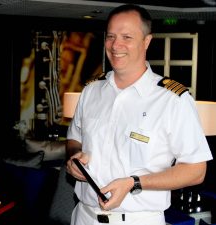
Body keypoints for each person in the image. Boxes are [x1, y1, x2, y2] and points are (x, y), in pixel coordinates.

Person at [65, 4, 213, 225]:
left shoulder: (173, 100)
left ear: (147, 41)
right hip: (83, 217)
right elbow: (74, 138)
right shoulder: (91, 91)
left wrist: (133, 183)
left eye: (127, 37)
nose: (116, 45)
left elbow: (196, 170)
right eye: (111, 36)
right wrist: (75, 156)